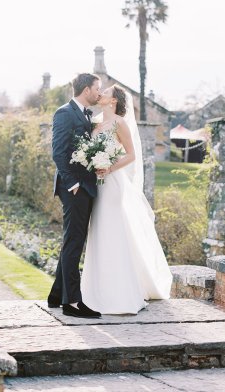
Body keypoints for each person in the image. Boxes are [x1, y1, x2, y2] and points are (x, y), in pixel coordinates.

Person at [81, 84, 172, 314]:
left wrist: (109, 167)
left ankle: (120, 293)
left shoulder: (119, 123)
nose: (101, 93)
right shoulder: (94, 123)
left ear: (113, 101)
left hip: (113, 184)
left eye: (106, 92)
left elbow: (131, 155)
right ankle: (95, 291)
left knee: (113, 230)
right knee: (98, 231)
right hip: (97, 184)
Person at [47, 72, 102, 318]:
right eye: (97, 88)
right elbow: (58, 153)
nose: (99, 93)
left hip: (86, 186)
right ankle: (72, 304)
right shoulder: (64, 113)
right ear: (86, 89)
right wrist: (73, 184)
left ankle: (57, 296)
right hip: (74, 188)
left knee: (73, 240)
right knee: (74, 243)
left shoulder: (86, 114)